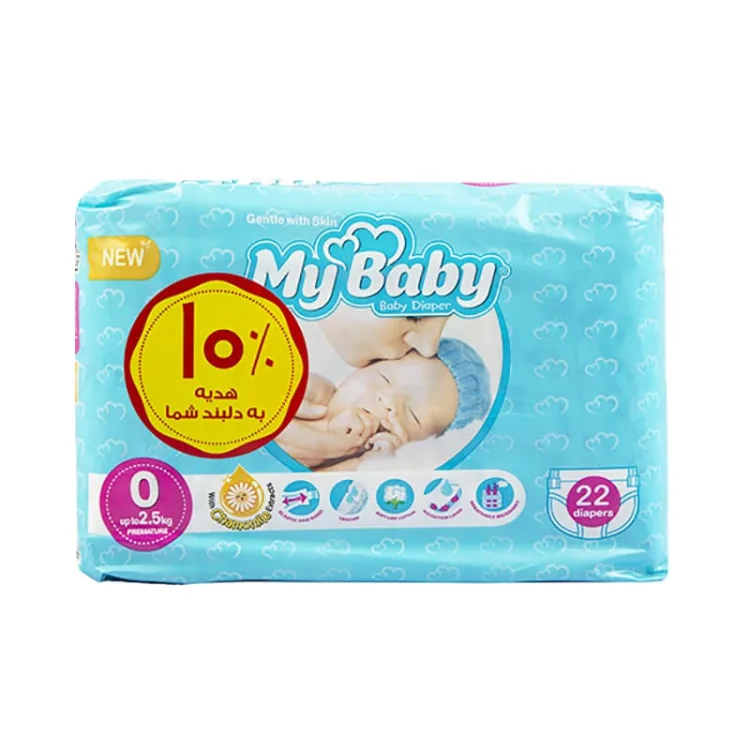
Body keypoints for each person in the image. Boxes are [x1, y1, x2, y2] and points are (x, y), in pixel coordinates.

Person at [276, 338, 491, 471]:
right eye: (383, 378)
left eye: (413, 416)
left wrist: (358, 466)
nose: (390, 404)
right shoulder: (315, 392)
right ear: (360, 368)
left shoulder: (368, 467)